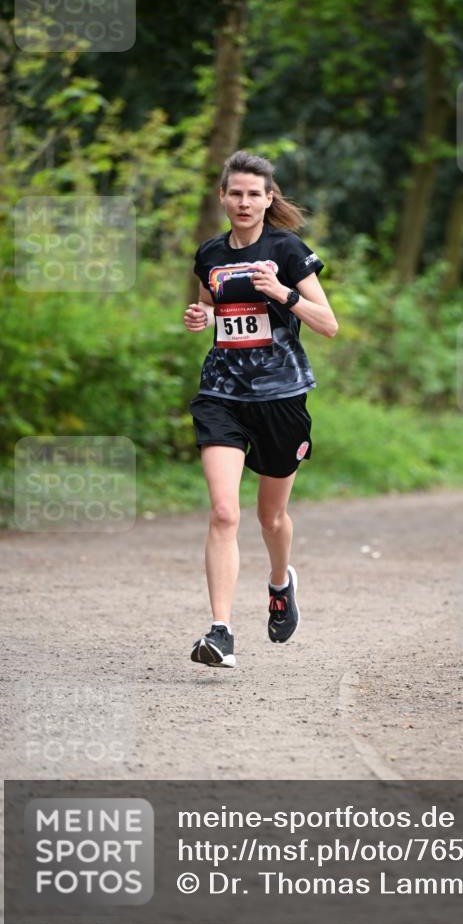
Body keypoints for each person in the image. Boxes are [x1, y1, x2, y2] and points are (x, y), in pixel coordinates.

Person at [185, 150, 338, 669]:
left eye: (255, 194)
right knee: (224, 512)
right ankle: (221, 632)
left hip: (280, 398)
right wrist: (201, 317)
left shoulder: (288, 249)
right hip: (222, 394)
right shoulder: (209, 253)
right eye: (236, 193)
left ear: (268, 199)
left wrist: (283, 294)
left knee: (269, 517)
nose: (245, 202)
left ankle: (280, 583)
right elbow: (211, 304)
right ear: (223, 198)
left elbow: (329, 324)